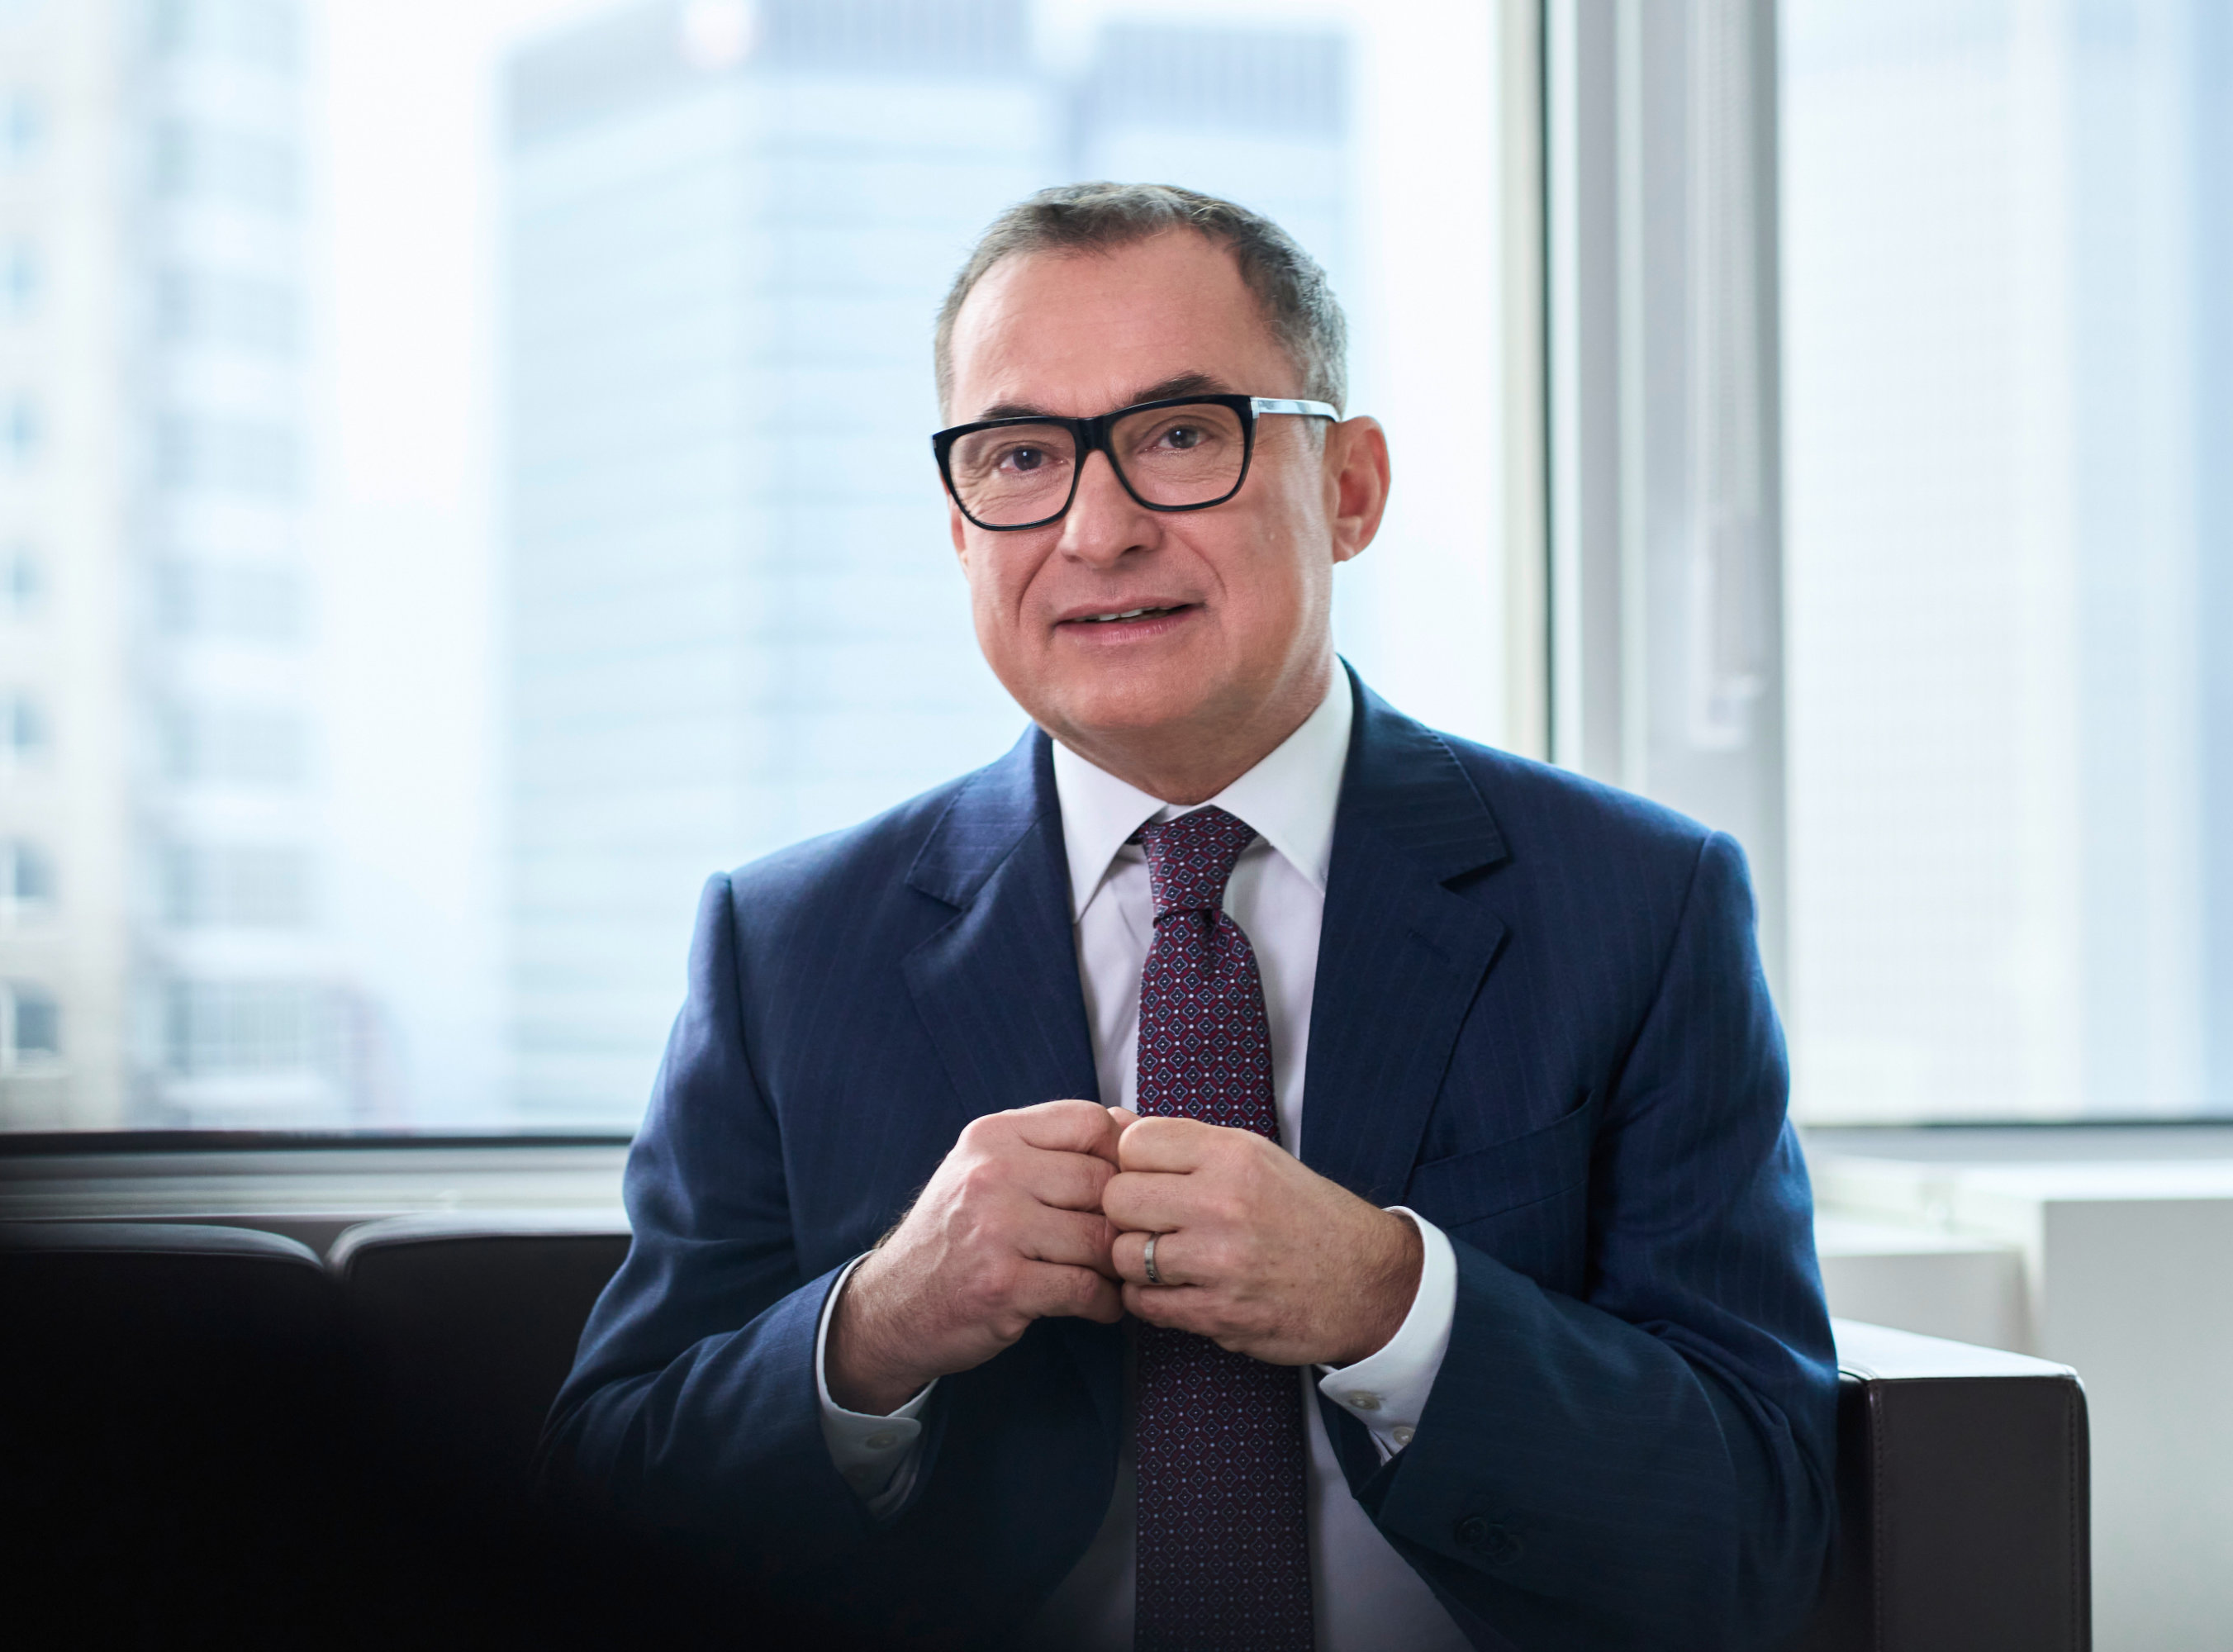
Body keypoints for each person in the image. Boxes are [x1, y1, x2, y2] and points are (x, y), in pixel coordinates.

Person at [541, 183, 1836, 1652]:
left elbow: (1757, 1524)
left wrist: (1395, 1305)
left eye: (1179, 437)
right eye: (1022, 457)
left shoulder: (1637, 905)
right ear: (960, 531)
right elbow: (603, 1512)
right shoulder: (786, 948)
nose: (1097, 531)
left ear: (1349, 488)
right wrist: (879, 1323)